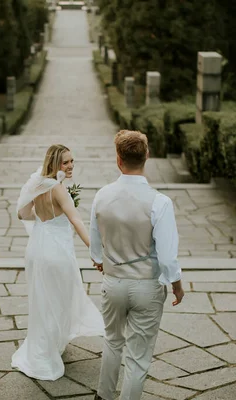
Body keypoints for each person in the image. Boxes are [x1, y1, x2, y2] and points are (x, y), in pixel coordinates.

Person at [90, 130, 184, 400]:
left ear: (118, 160)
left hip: (113, 283)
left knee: (112, 341)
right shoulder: (160, 202)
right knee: (138, 356)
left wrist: (103, 261)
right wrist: (177, 285)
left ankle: (104, 396)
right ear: (147, 156)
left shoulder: (102, 196)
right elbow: (167, 257)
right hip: (146, 286)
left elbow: (96, 248)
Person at [12, 144, 105, 381]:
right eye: (66, 162)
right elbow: (76, 221)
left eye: (72, 161)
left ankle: (44, 348)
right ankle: (50, 349)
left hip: (36, 250)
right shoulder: (59, 189)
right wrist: (95, 252)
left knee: (43, 300)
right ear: (54, 164)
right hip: (56, 252)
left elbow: (22, 214)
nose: (71, 165)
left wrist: (44, 219)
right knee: (61, 298)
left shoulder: (38, 185)